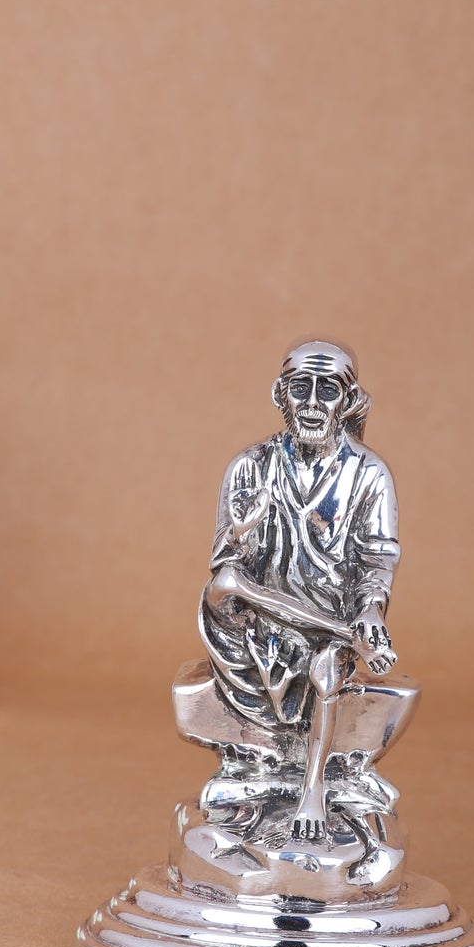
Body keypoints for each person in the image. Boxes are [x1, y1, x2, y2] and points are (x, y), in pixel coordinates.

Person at [198, 339, 399, 841]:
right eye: (300, 388)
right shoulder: (249, 466)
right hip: (257, 620)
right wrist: (241, 532)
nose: (311, 402)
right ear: (280, 395)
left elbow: (376, 561)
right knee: (221, 588)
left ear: (347, 400)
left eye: (326, 390)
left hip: (326, 621)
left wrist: (370, 611)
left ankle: (313, 790)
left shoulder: (369, 474)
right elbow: (225, 564)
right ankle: (257, 768)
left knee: (327, 668)